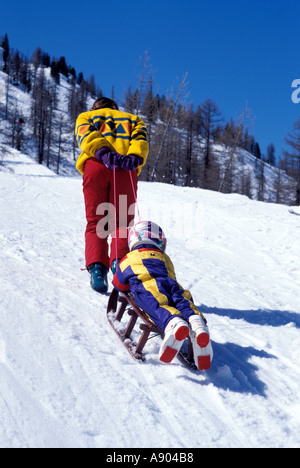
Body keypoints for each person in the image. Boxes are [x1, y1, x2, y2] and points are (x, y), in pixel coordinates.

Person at [112, 221, 213, 371]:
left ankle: (173, 322)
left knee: (157, 303)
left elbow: (118, 284)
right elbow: (171, 274)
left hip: (148, 286)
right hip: (171, 284)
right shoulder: (165, 258)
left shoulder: (129, 259)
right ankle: (196, 321)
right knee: (181, 299)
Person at [75, 97, 149, 294]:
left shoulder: (86, 116)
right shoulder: (133, 119)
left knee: (96, 221)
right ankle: (120, 268)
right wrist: (133, 156)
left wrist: (103, 151)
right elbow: (141, 140)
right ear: (116, 108)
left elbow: (86, 135)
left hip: (96, 166)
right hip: (125, 170)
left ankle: (98, 271)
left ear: (95, 107)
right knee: (122, 223)